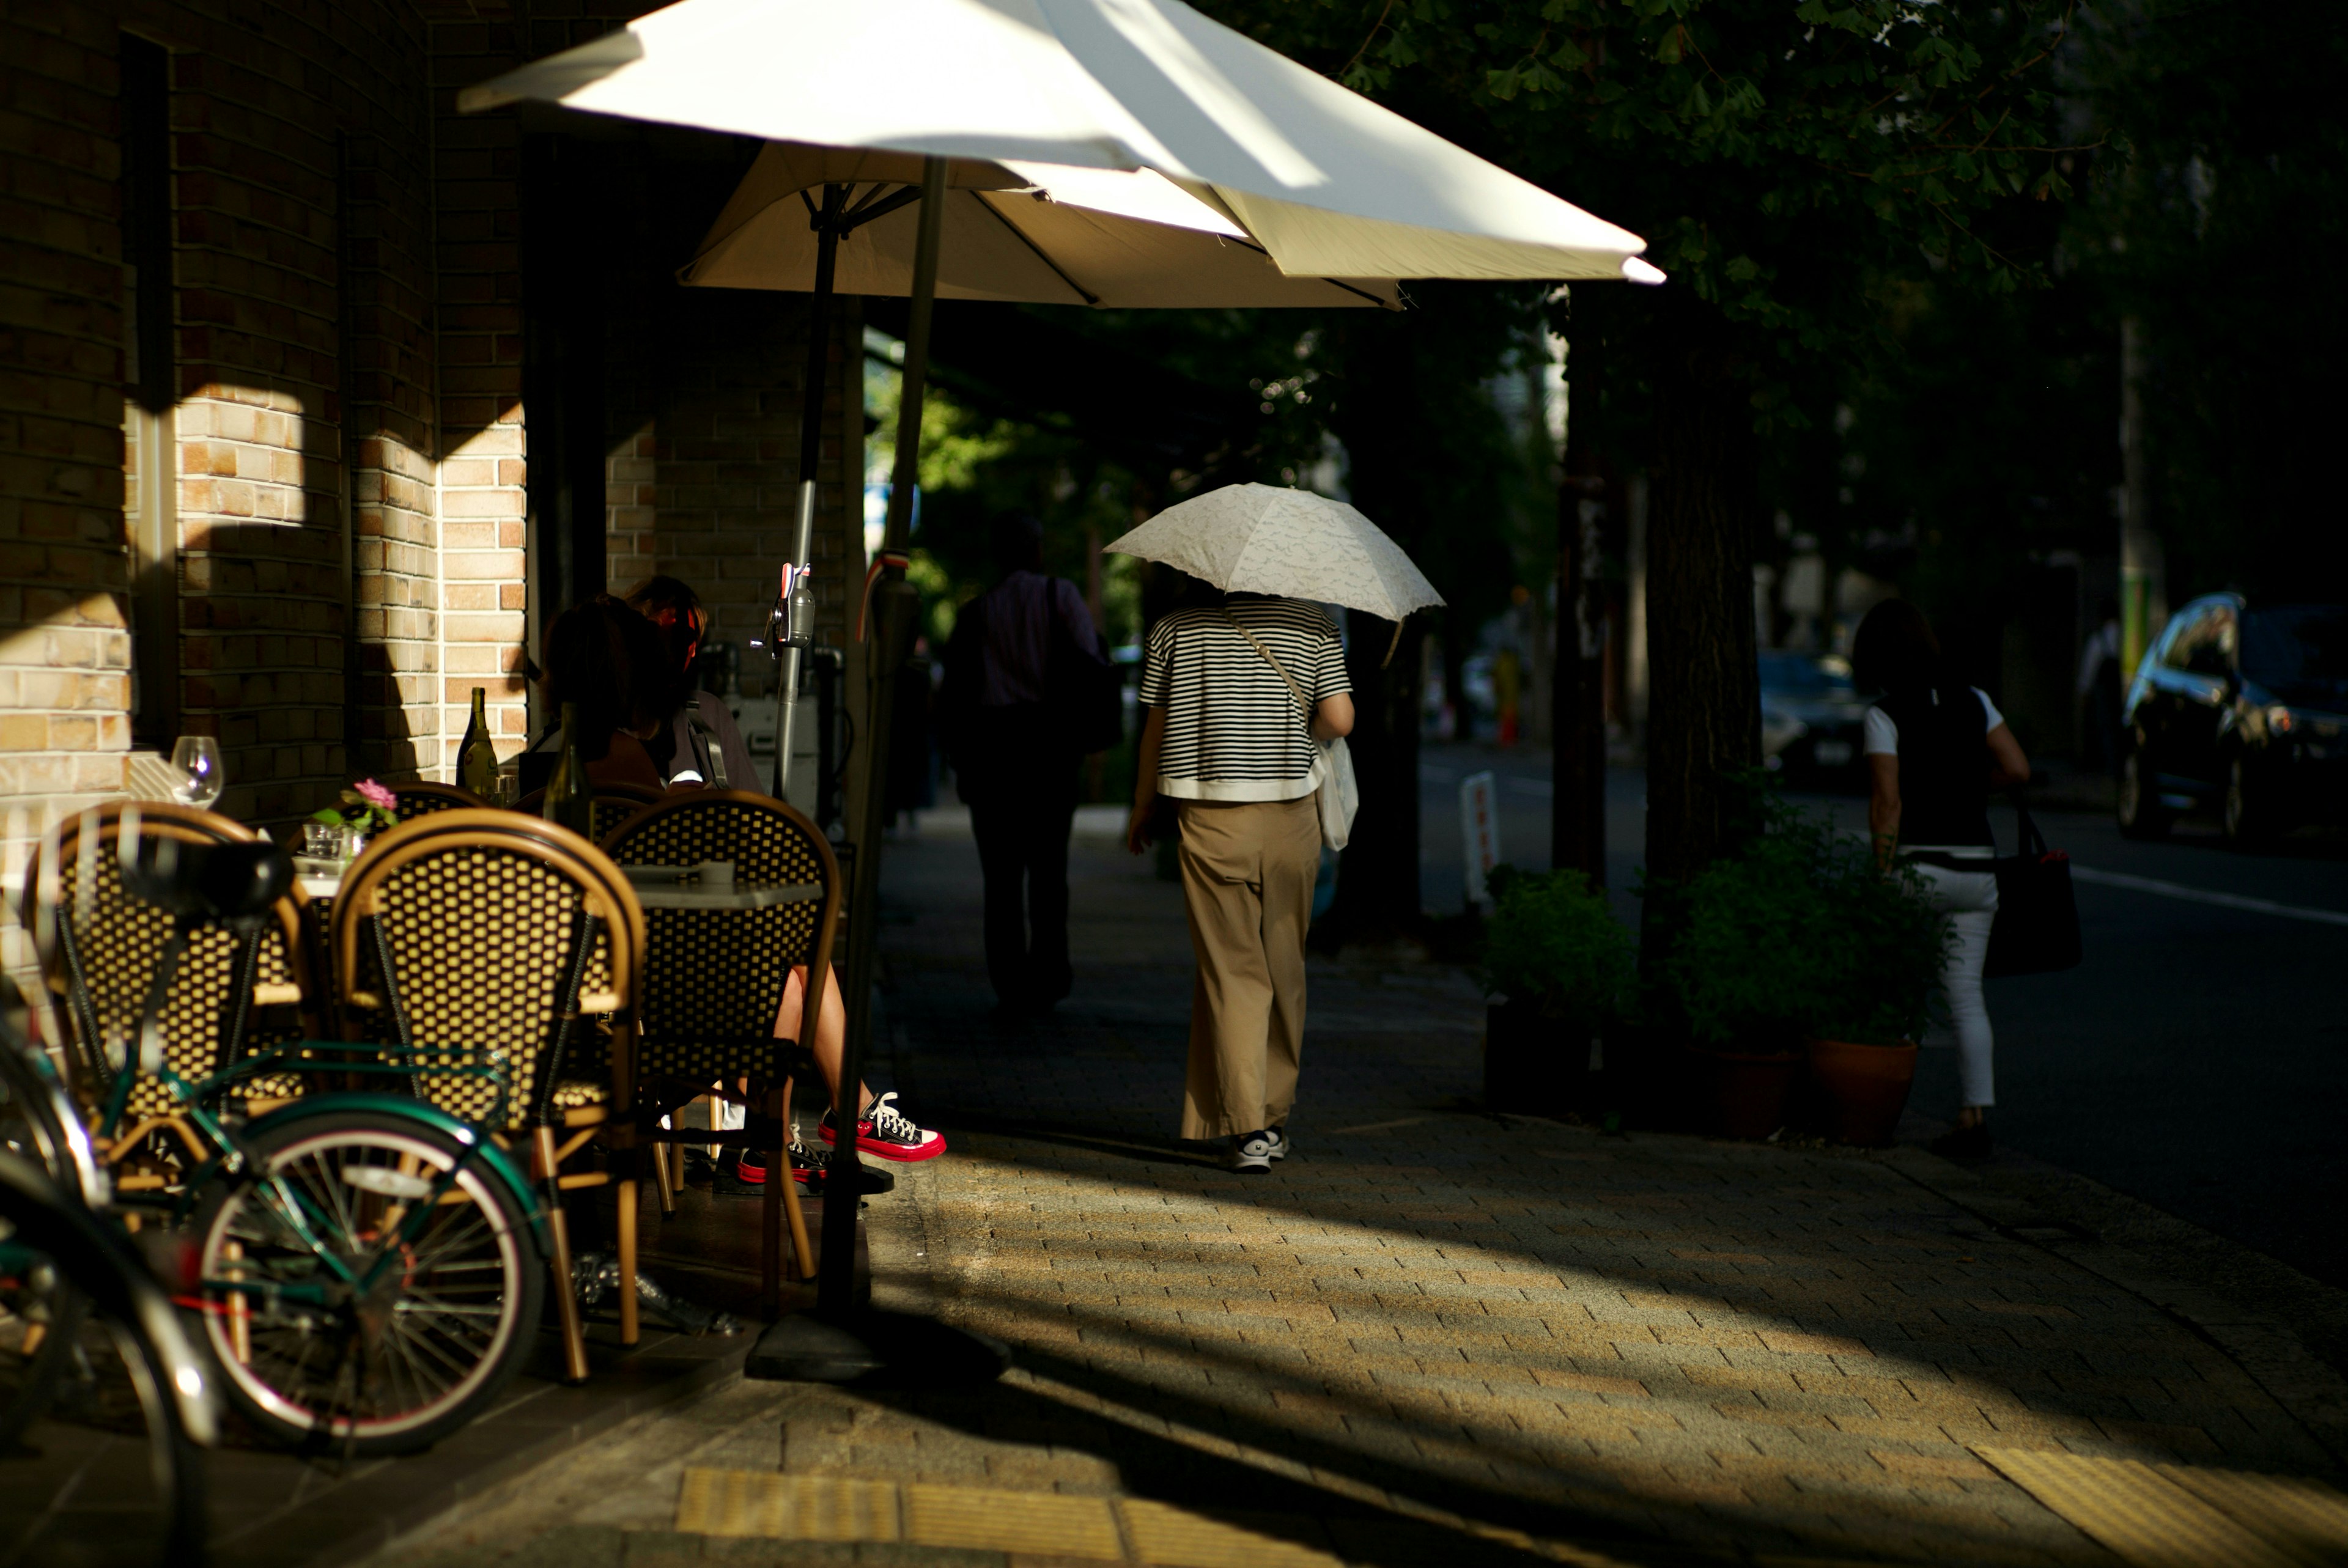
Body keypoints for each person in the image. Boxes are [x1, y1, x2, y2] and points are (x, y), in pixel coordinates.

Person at [1126, 583, 1353, 1174]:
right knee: (1284, 967)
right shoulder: (1315, 623)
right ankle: (1272, 1118)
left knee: (1232, 971)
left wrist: (1141, 806)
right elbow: (1339, 719)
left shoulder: (1174, 628)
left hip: (1208, 817)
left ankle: (1247, 1128)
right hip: (1290, 818)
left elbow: (1154, 729)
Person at [1854, 600, 2031, 1160]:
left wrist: (1880, 876)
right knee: (1965, 996)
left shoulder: (1885, 716)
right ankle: (1973, 1117)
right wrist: (1972, 784)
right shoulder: (1974, 700)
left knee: (1898, 990)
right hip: (1978, 872)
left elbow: (1888, 804)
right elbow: (2019, 769)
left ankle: (1880, 1110)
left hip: (1918, 870)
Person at [941, 512, 1110, 1014]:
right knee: (1048, 871)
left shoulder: (977, 613)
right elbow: (1091, 663)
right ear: (1037, 550)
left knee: (1001, 876)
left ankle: (1010, 981)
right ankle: (1050, 976)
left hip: (993, 753)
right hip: (1050, 751)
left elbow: (954, 694)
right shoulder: (1061, 597)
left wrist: (962, 764)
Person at [623, 575, 759, 793]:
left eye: (691, 639)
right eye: (674, 634)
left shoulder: (707, 714)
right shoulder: (606, 719)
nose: (688, 651)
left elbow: (753, 815)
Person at [2076, 597, 2124, 776]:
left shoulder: (2099, 639)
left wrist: (2085, 694)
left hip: (2105, 689)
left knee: (2107, 729)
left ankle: (2112, 770)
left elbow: (2088, 670)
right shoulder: (2126, 636)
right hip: (2125, 688)